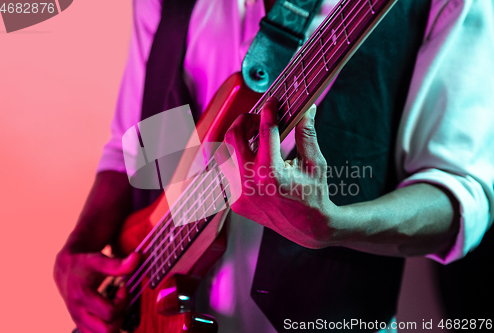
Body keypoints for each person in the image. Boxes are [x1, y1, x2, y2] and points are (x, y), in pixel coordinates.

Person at [54, 0, 494, 332]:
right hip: (145, 298)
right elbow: (139, 145)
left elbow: (459, 194)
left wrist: (336, 225)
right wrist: (82, 246)